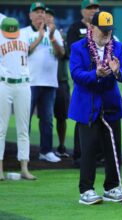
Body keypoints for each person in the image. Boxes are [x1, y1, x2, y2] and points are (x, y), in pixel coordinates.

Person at [69, 11, 122, 205]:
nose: (106, 35)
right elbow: (76, 74)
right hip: (87, 105)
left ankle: (111, 187)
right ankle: (86, 190)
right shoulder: (78, 47)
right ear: (92, 28)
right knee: (89, 150)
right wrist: (95, 73)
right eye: (103, 31)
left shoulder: (117, 47)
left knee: (113, 149)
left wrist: (117, 71)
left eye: (109, 31)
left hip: (110, 104)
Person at [23, 2, 65, 163]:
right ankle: (23, 152)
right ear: (30, 15)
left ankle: (46, 150)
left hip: (49, 82)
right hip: (29, 82)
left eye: (42, 12)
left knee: (47, 119)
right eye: (37, 12)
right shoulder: (24, 33)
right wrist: (40, 37)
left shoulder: (53, 32)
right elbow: (23, 52)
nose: (40, 14)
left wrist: (52, 37)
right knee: (25, 119)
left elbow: (61, 54)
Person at [0, 17, 36, 180]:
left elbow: (29, 51)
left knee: (23, 128)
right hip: (4, 84)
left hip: (23, 85)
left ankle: (24, 168)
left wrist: (41, 37)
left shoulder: (24, 36)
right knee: (1, 129)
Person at [66, 0, 100, 167]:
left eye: (95, 7)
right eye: (89, 8)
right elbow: (69, 51)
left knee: (99, 119)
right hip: (84, 80)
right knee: (82, 119)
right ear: (82, 11)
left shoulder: (102, 28)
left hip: (100, 81)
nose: (93, 10)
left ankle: (98, 155)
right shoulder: (75, 28)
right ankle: (79, 156)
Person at [45, 7, 71, 158]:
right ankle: (45, 148)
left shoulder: (61, 36)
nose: (48, 19)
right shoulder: (34, 35)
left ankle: (61, 146)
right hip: (43, 82)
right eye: (46, 16)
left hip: (60, 80)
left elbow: (65, 55)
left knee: (61, 116)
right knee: (46, 117)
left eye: (50, 17)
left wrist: (58, 38)